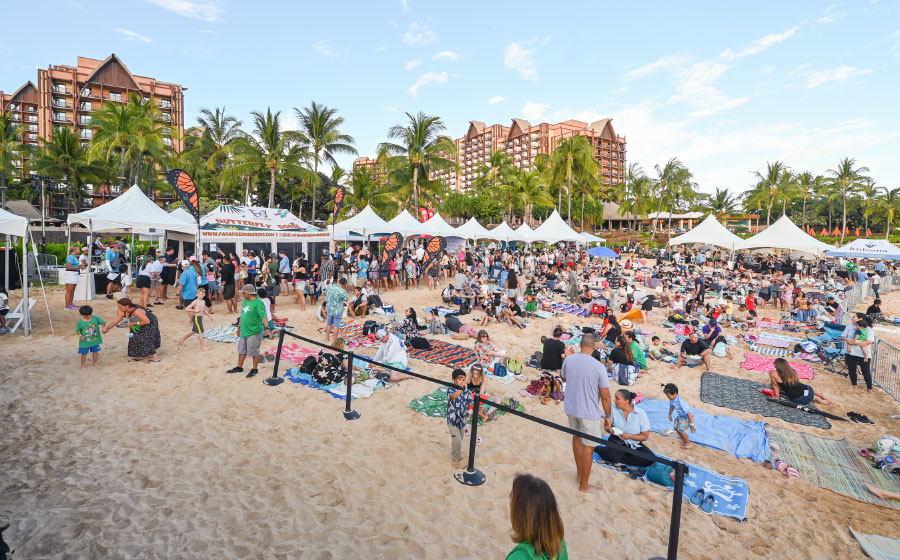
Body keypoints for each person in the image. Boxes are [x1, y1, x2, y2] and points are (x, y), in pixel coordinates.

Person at [561, 334, 612, 493]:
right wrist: (608, 416)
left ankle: (579, 474)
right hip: (588, 412)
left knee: (577, 439)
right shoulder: (598, 367)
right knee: (588, 447)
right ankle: (584, 485)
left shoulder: (569, 360)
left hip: (571, 407)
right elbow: (605, 396)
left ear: (580, 344)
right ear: (594, 347)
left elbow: (563, 378)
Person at [506, 473, 567, 560]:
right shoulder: (558, 541)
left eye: (512, 497)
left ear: (521, 514)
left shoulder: (520, 556)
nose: (509, 497)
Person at [595, 389, 656, 467]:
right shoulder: (612, 409)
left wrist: (630, 436)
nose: (614, 400)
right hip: (616, 441)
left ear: (626, 401)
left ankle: (617, 457)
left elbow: (644, 436)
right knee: (614, 456)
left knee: (651, 459)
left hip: (634, 444)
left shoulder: (641, 414)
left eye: (617, 398)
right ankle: (601, 450)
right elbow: (607, 428)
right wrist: (611, 430)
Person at [226, 285, 271, 378]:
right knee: (242, 350)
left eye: (243, 292)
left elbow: (264, 316)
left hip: (254, 331)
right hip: (244, 330)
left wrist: (267, 328)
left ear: (248, 293)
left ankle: (255, 369)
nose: (242, 294)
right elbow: (243, 314)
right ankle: (239, 367)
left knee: (254, 351)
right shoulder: (245, 300)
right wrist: (238, 327)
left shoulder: (258, 303)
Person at [101, 298, 161, 362]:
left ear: (127, 306)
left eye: (120, 307)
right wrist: (107, 329)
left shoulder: (137, 311)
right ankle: (139, 355)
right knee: (132, 336)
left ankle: (155, 358)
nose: (119, 308)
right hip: (138, 322)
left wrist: (133, 323)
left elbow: (147, 321)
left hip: (150, 322)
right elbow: (115, 321)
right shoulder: (123, 311)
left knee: (145, 338)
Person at [842, 314, 876, 391]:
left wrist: (854, 343)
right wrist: (847, 340)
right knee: (851, 370)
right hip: (850, 353)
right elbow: (843, 336)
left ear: (860, 319)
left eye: (854, 317)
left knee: (865, 371)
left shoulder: (868, 329)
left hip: (862, 354)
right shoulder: (849, 327)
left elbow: (869, 341)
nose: (852, 318)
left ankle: (869, 388)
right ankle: (854, 385)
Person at [447, 368, 473, 467]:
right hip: (452, 420)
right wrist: (460, 389)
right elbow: (453, 396)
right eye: (459, 379)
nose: (462, 381)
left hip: (462, 420)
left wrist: (478, 406)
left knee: (460, 438)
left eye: (463, 378)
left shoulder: (467, 392)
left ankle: (455, 451)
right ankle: (455, 458)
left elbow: (471, 403)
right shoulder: (451, 389)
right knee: (457, 439)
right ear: (454, 380)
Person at [177, 286, 213, 351]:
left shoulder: (203, 301)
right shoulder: (195, 302)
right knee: (201, 333)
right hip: (196, 318)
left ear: (204, 294)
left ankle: (182, 339)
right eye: (199, 294)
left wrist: (209, 316)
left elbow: (204, 310)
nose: (201, 295)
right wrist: (195, 311)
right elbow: (187, 309)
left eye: (202, 294)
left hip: (200, 318)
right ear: (196, 294)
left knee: (194, 331)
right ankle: (203, 347)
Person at [663, 383, 696, 449]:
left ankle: (688, 443)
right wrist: (670, 414)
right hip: (681, 416)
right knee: (676, 427)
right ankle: (684, 440)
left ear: (675, 394)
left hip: (687, 417)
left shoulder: (681, 402)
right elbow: (672, 406)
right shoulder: (672, 399)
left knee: (681, 429)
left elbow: (689, 414)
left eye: (669, 395)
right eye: (667, 395)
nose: (668, 397)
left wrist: (692, 425)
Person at [324, 277, 349, 345]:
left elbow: (325, 293)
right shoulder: (342, 290)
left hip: (329, 308)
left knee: (329, 324)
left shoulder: (329, 286)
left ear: (338, 281)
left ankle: (327, 338)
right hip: (337, 309)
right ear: (344, 284)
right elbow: (346, 299)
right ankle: (334, 340)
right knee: (336, 325)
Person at [64, 246, 85, 310]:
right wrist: (79, 267)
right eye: (78, 249)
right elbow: (69, 267)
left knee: (72, 291)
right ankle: (67, 306)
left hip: (74, 274)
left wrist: (80, 266)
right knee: (69, 291)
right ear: (74, 250)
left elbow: (74, 266)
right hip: (71, 274)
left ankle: (70, 304)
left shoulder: (74, 257)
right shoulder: (70, 257)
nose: (79, 250)